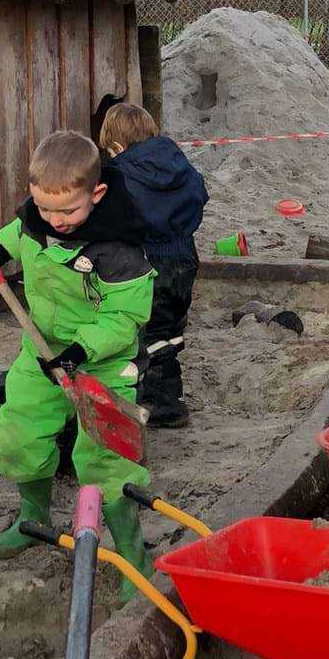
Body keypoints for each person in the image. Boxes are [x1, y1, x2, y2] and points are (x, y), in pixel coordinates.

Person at [0, 130, 155, 596]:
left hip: (101, 362)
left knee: (106, 459)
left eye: (68, 210)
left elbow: (125, 317)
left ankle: (134, 555)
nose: (55, 220)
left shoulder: (118, 248)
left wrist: (79, 352)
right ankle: (32, 517)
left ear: (96, 194)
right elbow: (18, 235)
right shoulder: (37, 218)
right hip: (42, 351)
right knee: (18, 434)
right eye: (45, 209)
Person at [99, 101, 208, 429]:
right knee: (171, 328)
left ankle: (161, 403)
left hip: (149, 262)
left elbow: (116, 219)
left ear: (117, 146)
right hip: (185, 258)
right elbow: (201, 193)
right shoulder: (176, 160)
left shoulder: (120, 174)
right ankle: (167, 394)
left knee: (149, 333)